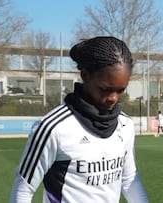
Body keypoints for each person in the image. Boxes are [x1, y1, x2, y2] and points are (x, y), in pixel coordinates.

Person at [10, 36, 149, 203]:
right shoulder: (53, 128)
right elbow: (24, 189)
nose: (113, 98)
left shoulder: (125, 125)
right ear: (85, 76)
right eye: (106, 89)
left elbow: (128, 181)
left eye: (120, 90)